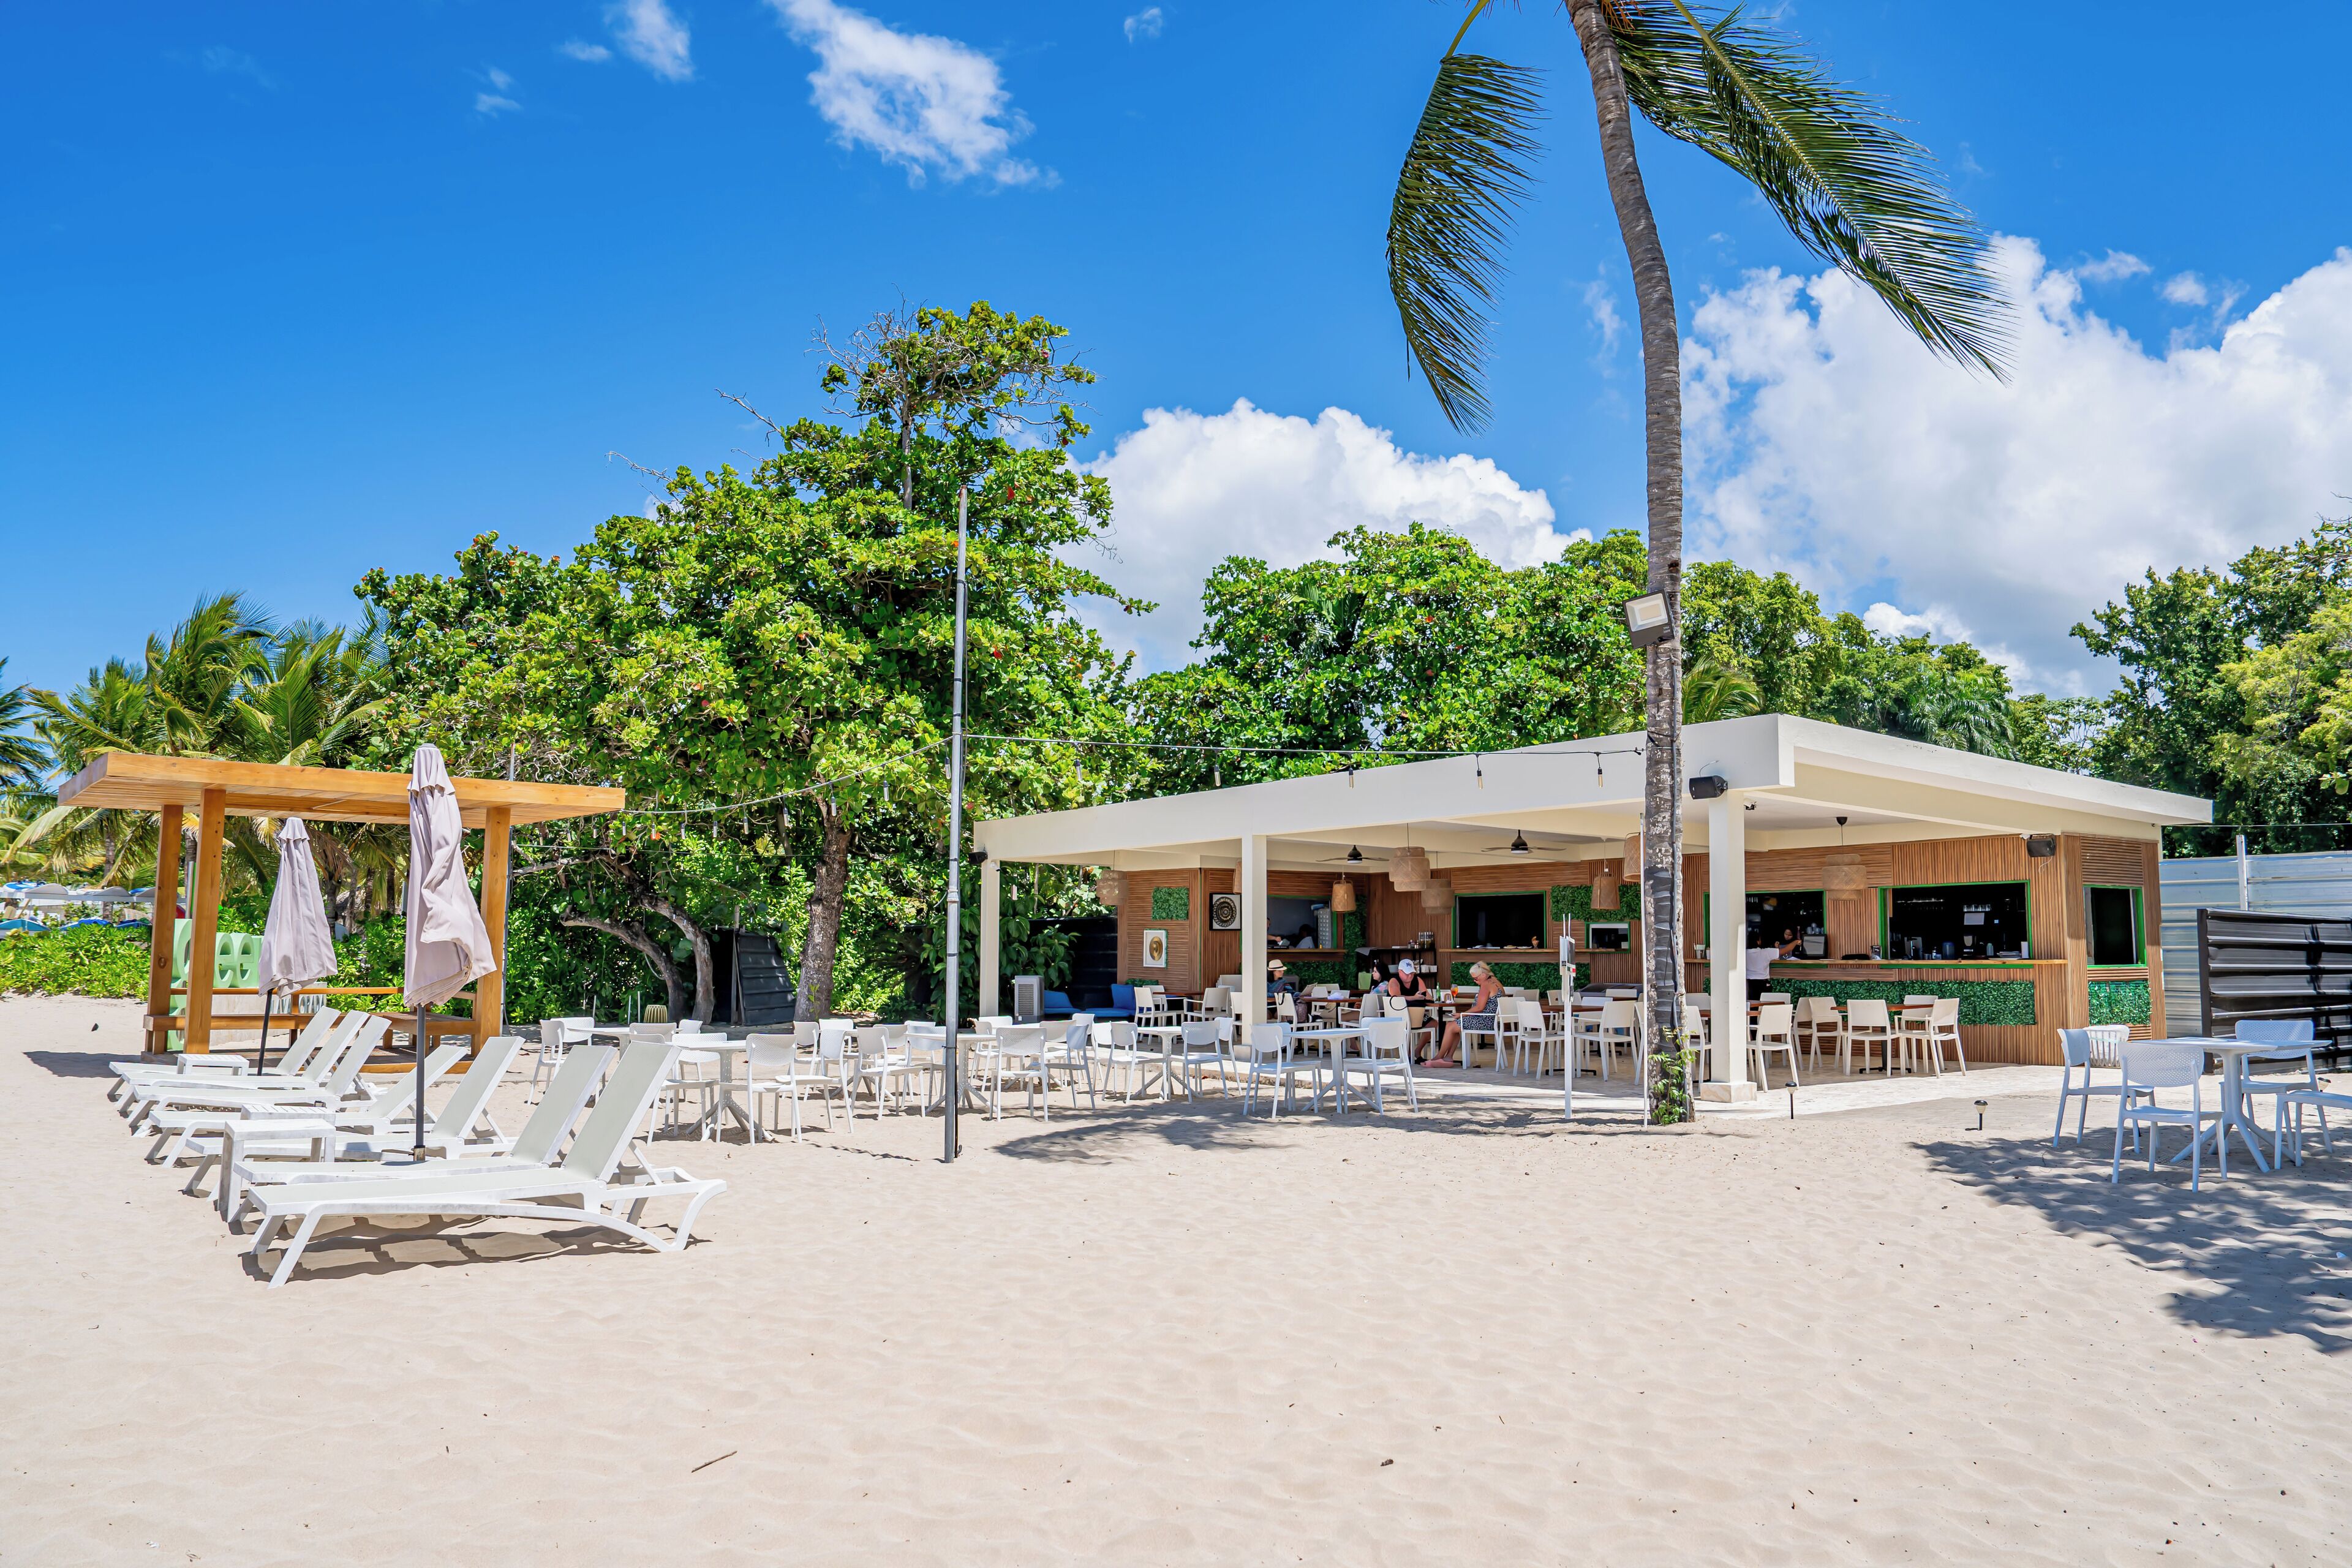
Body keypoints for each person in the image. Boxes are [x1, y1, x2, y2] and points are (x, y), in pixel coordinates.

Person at [1432, 960, 1504, 1069]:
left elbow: (1480, 1008)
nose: (1475, 981)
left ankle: (1439, 1057)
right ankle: (1448, 1058)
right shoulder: (1496, 982)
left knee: (1450, 1026)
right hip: (1494, 1021)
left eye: (1476, 978)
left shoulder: (1486, 985)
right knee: (1454, 1026)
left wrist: (1462, 1014)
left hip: (1485, 1021)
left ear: (1484, 975)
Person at [1744, 927, 1800, 1002]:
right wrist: (1796, 942)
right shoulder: (1765, 952)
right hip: (1762, 983)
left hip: (1748, 984)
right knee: (1763, 1005)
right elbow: (1785, 951)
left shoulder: (1744, 953)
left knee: (1751, 1005)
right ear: (1758, 941)